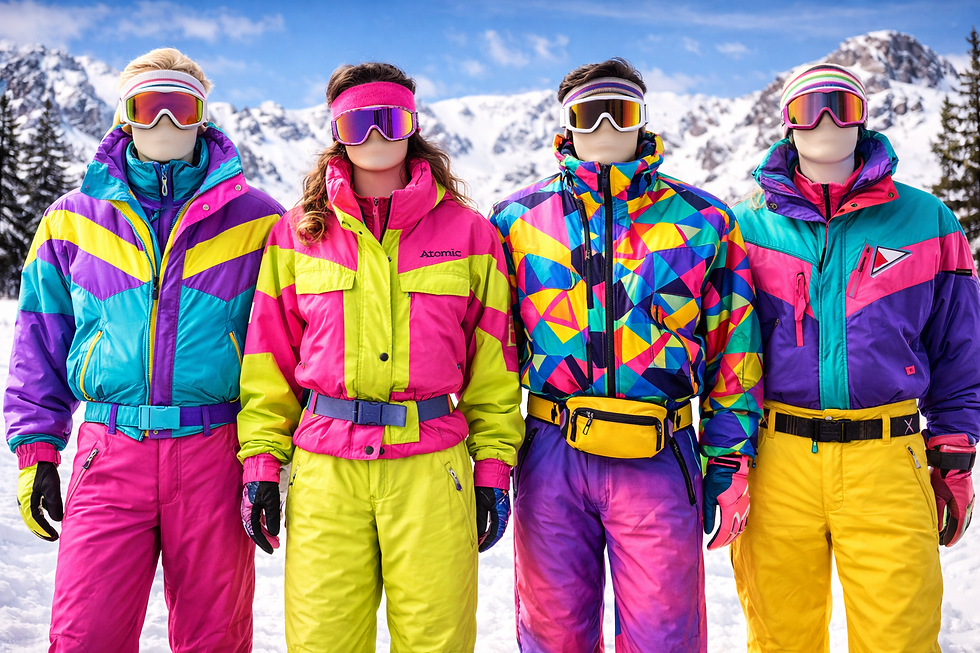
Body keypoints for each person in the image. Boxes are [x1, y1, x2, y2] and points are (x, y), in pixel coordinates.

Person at [236, 62, 523, 653]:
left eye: (389, 120)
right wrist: (263, 463)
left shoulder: (470, 234)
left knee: (436, 641)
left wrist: (492, 467)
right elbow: (269, 363)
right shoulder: (297, 234)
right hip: (325, 472)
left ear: (411, 126)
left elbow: (493, 369)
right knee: (323, 641)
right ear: (337, 131)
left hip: (431, 468)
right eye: (357, 122)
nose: (374, 137)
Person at [4, 48, 284, 651]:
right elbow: (39, 343)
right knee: (85, 635)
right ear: (122, 117)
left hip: (215, 451)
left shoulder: (258, 221)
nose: (165, 123)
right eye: (148, 106)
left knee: (216, 638)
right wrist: (36, 450)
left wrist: (270, 461)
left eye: (181, 107)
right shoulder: (72, 220)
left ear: (203, 117)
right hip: (110, 452)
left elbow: (284, 347)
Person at [488, 57, 763, 653]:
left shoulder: (702, 221)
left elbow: (733, 349)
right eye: (591, 111)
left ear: (643, 119)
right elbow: (494, 359)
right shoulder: (517, 221)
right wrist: (491, 455)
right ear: (567, 126)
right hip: (553, 447)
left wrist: (729, 460)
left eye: (624, 109)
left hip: (659, 450)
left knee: (665, 634)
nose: (608, 124)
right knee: (552, 630)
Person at [731, 63, 979, 653]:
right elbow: (729, 360)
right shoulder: (746, 226)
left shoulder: (927, 222)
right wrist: (730, 455)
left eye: (839, 104)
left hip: (888, 459)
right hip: (778, 458)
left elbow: (959, 350)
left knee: (902, 638)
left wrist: (954, 452)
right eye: (806, 106)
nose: (824, 120)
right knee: (779, 638)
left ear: (862, 117)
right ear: (785, 122)